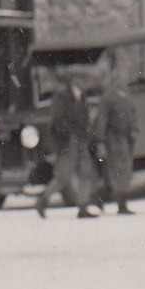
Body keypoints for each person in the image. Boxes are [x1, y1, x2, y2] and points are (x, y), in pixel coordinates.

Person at [34, 71, 98, 218]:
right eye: (80, 78)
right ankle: (42, 201)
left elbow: (85, 117)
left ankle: (83, 207)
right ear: (72, 80)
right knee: (63, 176)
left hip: (80, 139)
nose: (83, 82)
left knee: (86, 173)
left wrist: (85, 133)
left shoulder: (81, 97)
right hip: (67, 141)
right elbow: (58, 122)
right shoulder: (61, 97)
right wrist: (71, 134)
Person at [94, 77, 139, 215]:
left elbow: (132, 114)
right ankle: (120, 204)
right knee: (117, 170)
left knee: (122, 170)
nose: (121, 82)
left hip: (126, 138)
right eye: (118, 80)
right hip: (113, 138)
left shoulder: (127, 96)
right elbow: (102, 120)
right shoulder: (108, 98)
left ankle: (104, 200)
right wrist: (100, 141)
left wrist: (134, 129)